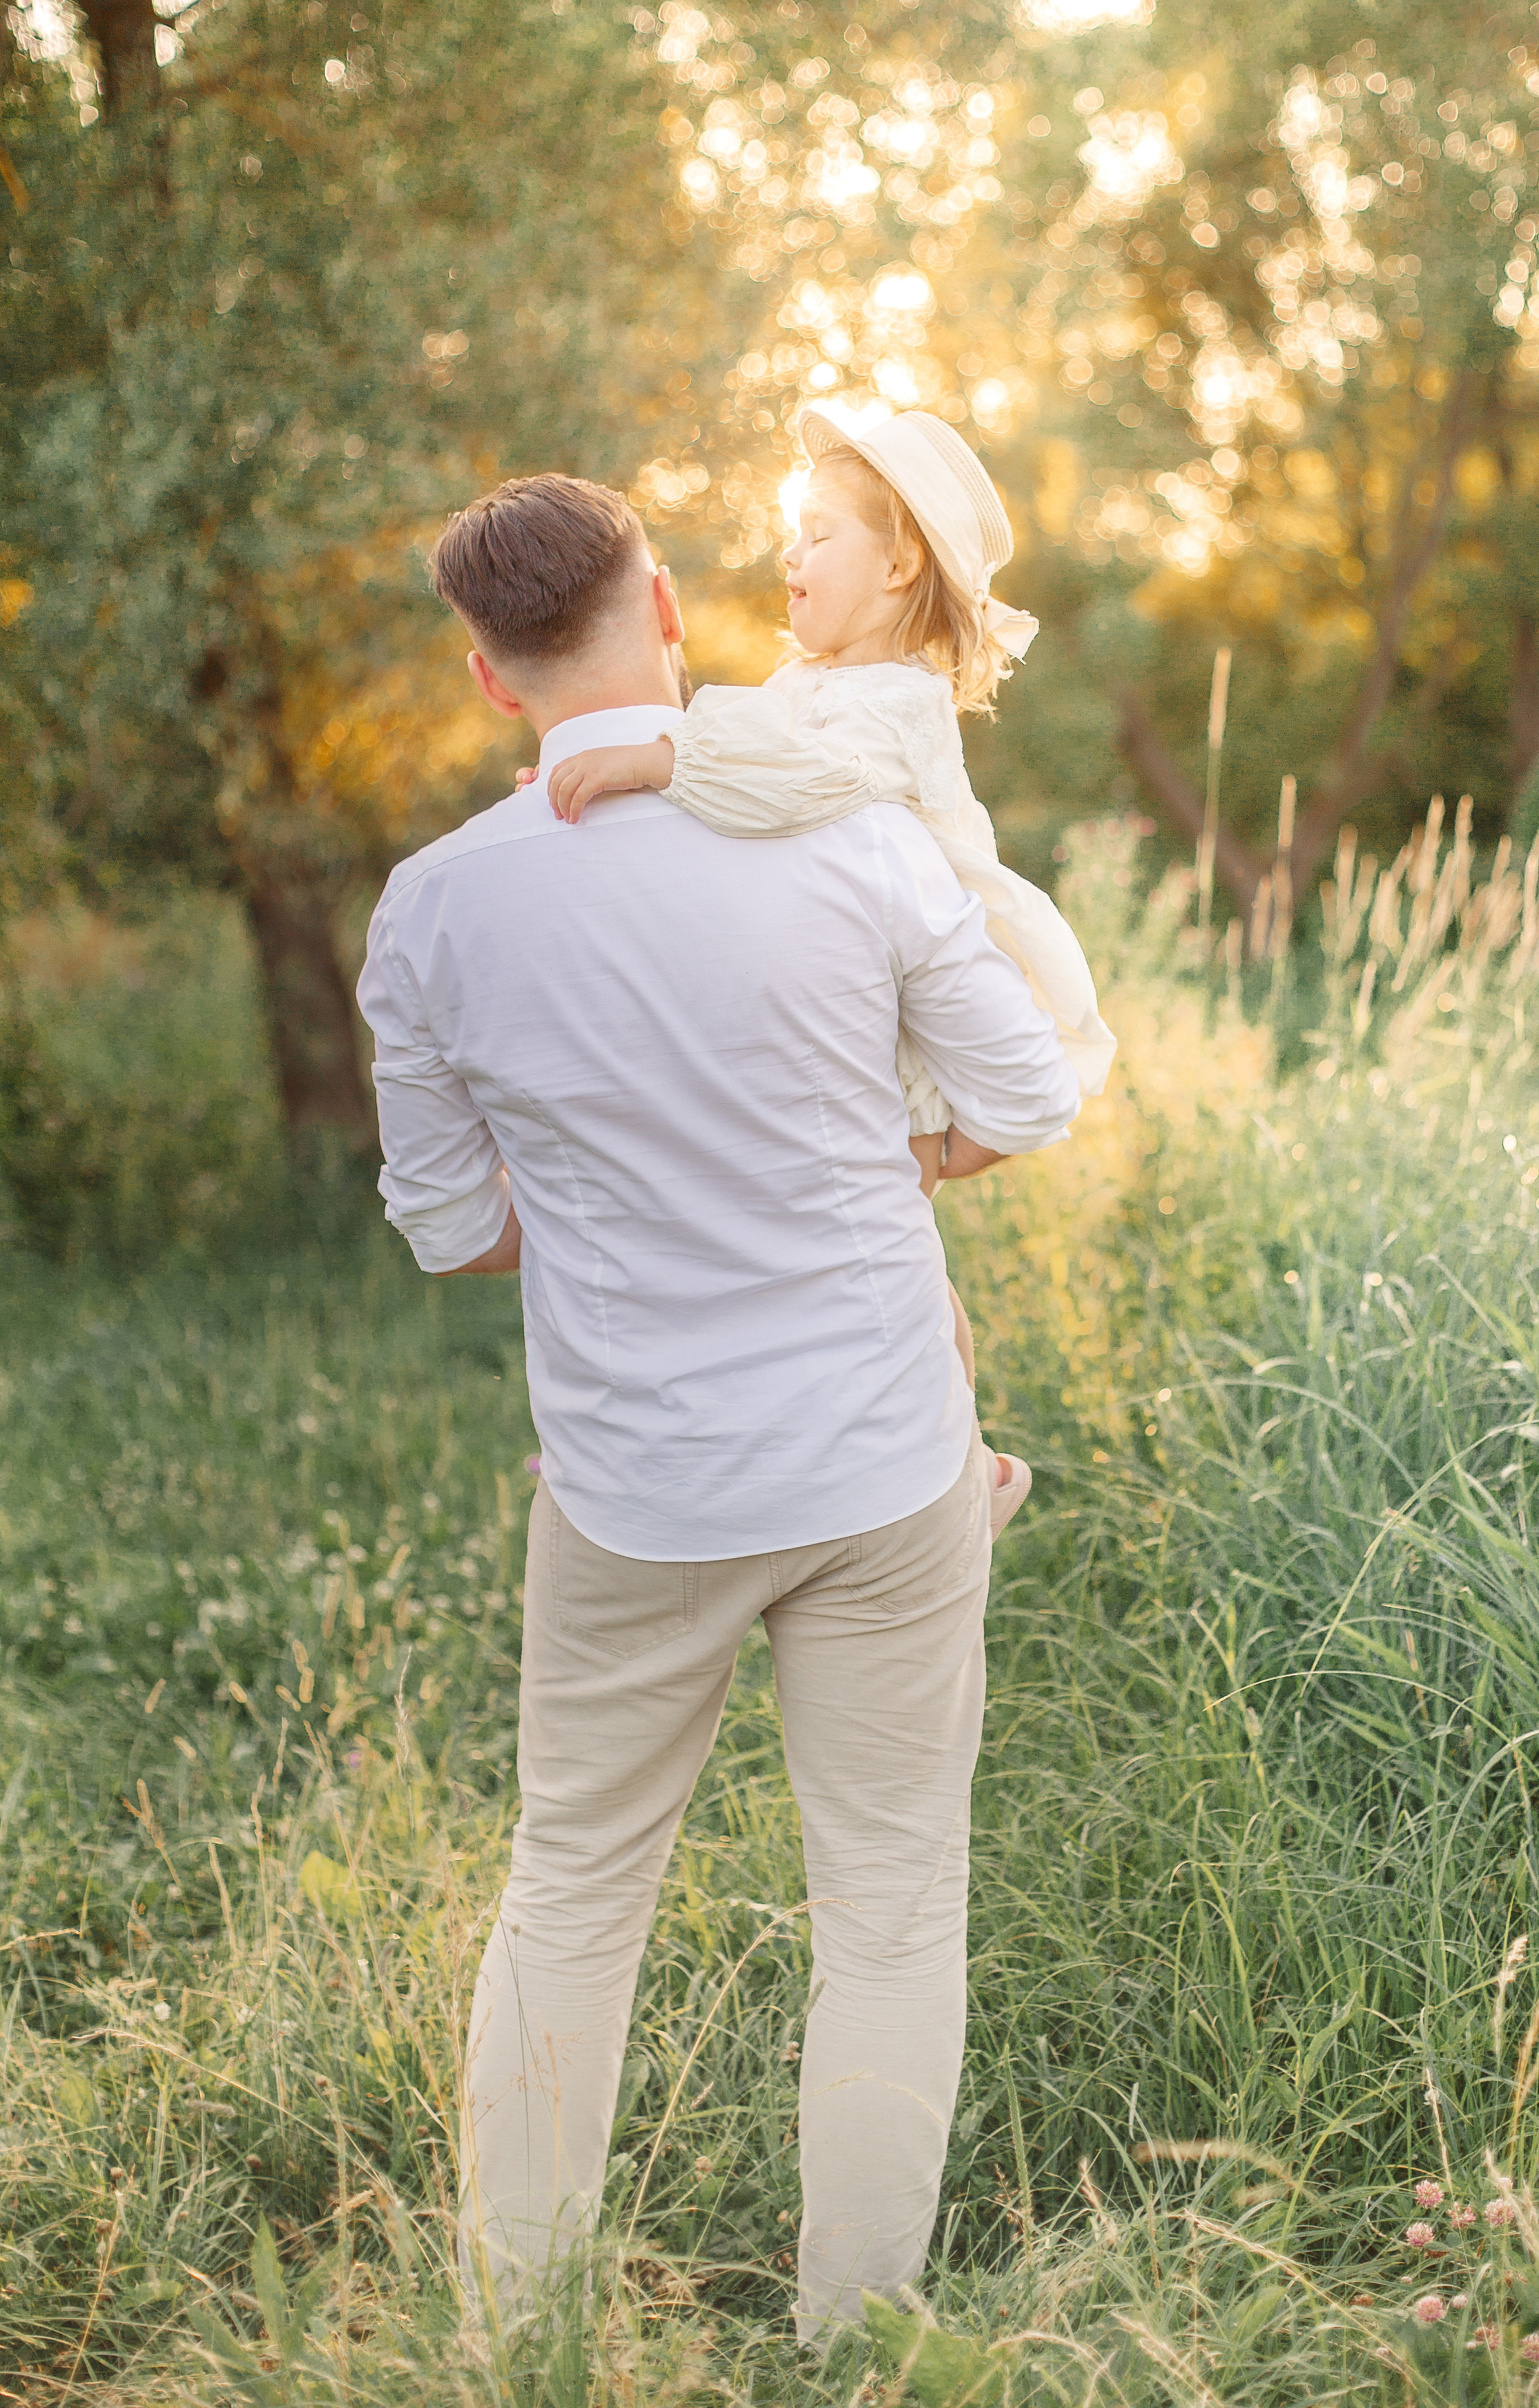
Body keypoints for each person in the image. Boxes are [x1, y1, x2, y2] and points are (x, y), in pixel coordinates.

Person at [356, 472, 1081, 2345]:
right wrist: (874, 1160)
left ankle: (522, 2340)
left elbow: (453, 1231)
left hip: (637, 1489)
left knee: (576, 1890)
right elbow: (1027, 1093)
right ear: (667, 610)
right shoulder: (849, 841)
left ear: (490, 680)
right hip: (884, 1464)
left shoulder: (433, 913)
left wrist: (628, 1208)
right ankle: (860, 2343)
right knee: (895, 1909)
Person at [531, 406, 1116, 1538]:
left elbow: (783, 791)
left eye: (818, 536)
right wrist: (585, 768)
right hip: (850, 1005)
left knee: (894, 1258)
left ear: (899, 565)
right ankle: (907, 1450)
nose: (788, 559)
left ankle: (966, 1459)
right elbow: (739, 796)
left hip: (911, 1011)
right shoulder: (805, 685)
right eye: (789, 535)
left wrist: (650, 762)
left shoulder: (892, 706)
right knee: (874, 1253)